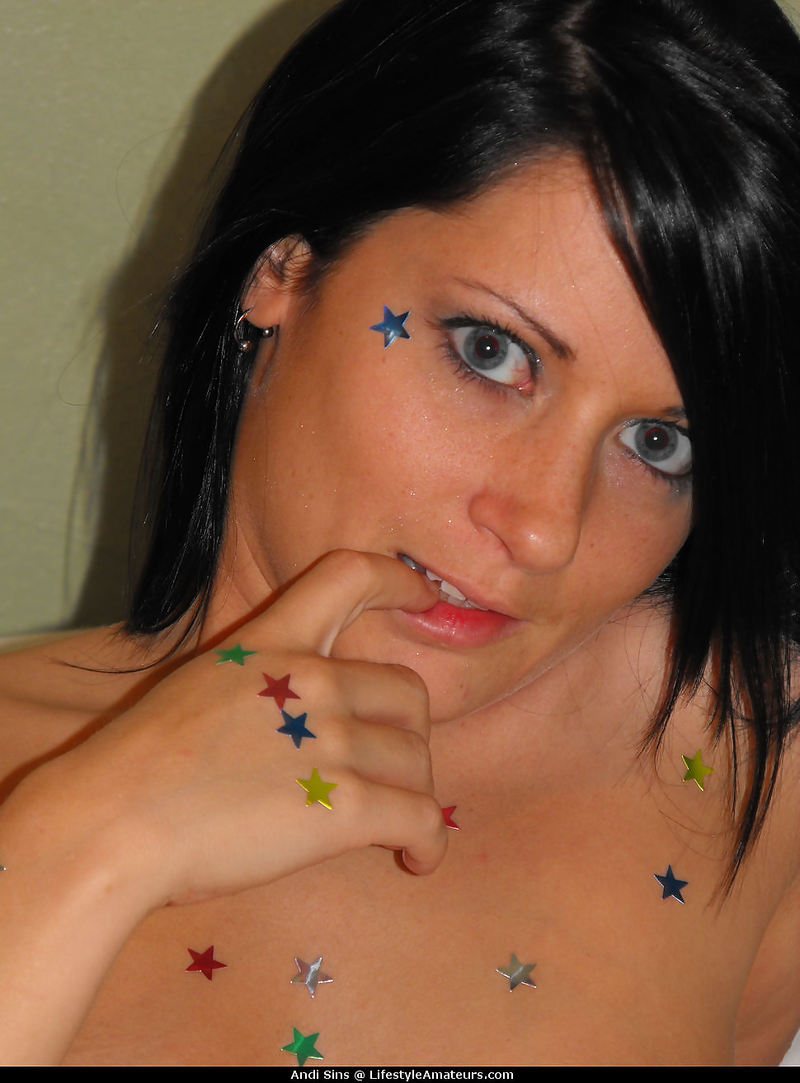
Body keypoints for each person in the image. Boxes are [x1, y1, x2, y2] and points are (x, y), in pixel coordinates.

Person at [0, 0, 798, 1066]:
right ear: (282, 272)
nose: (545, 529)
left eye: (659, 444)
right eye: (490, 352)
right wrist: (84, 843)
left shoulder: (744, 757)